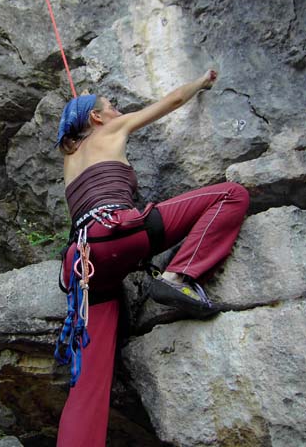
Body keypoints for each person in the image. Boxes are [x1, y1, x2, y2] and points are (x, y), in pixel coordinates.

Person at [55, 70, 249, 447]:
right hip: (118, 232)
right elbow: (173, 100)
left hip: (82, 264)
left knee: (88, 377)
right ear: (96, 118)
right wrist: (201, 82)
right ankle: (179, 276)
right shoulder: (110, 131)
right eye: (111, 106)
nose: (117, 109)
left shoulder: (71, 158)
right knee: (232, 195)